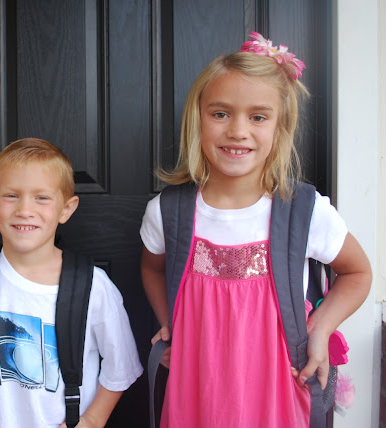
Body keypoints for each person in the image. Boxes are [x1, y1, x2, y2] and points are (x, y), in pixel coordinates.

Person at [139, 32, 371, 427]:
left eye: (258, 117)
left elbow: (358, 272)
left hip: (278, 391)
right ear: (198, 119)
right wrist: (169, 323)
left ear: (279, 128)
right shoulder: (168, 212)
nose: (237, 130)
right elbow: (152, 268)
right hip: (198, 390)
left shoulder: (304, 211)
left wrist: (321, 329)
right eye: (220, 114)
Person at [0, 138, 143, 428]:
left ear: (66, 209)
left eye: (41, 198)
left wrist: (93, 419)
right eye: (11, 196)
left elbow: (121, 367)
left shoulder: (93, 287)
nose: (25, 210)